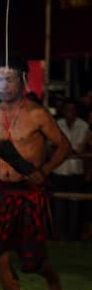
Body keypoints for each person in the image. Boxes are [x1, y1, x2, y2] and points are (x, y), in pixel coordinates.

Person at [0, 60, 71, 290]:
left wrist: (44, 172)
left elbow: (63, 146)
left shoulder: (37, 114)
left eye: (10, 79)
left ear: (22, 81)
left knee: (32, 259)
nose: (4, 85)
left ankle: (53, 281)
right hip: (2, 191)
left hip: (29, 192)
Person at [51, 100, 88, 241]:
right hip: (60, 171)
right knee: (60, 205)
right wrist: (66, 149)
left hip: (75, 172)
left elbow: (79, 149)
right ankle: (60, 235)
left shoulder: (83, 125)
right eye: (67, 110)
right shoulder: (57, 124)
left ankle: (73, 236)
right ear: (64, 111)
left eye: (73, 110)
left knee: (75, 206)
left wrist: (65, 149)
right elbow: (54, 145)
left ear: (76, 112)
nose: (70, 113)